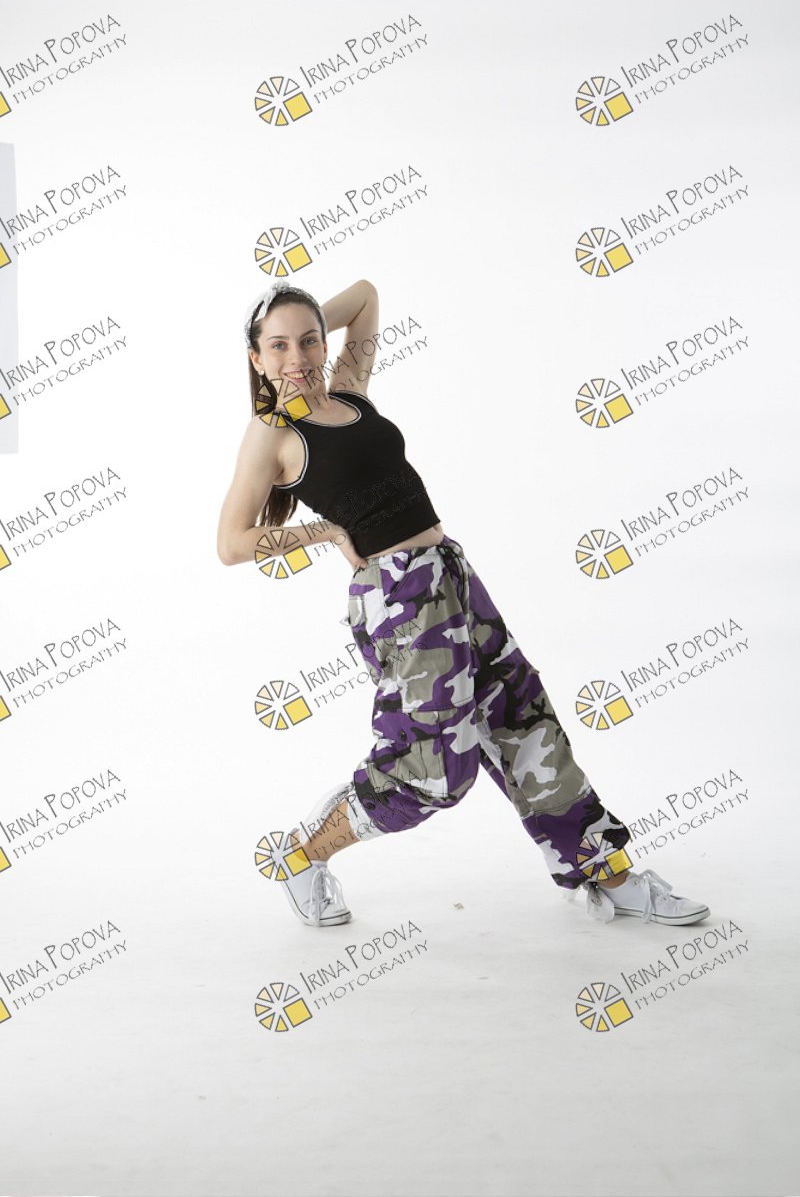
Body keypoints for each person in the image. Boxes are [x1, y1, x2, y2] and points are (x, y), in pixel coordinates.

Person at [217, 278, 710, 931]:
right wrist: (326, 532)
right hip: (398, 600)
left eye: (308, 340)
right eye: (277, 347)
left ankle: (608, 875)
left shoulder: (349, 393)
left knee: (527, 724)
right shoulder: (272, 431)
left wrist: (305, 322)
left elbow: (364, 296)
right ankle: (304, 854)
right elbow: (231, 542)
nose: (298, 357)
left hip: (452, 574)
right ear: (255, 358)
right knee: (431, 771)